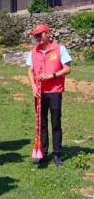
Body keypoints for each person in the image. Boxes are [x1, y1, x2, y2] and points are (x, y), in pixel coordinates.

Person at [26, 24, 72, 167]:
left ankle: (57, 153)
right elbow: (30, 70)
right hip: (39, 93)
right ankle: (42, 154)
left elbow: (67, 69)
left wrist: (51, 76)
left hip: (55, 91)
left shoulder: (59, 49)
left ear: (48, 34)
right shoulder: (34, 51)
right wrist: (33, 86)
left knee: (56, 122)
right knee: (41, 123)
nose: (37, 38)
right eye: (36, 36)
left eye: (40, 35)